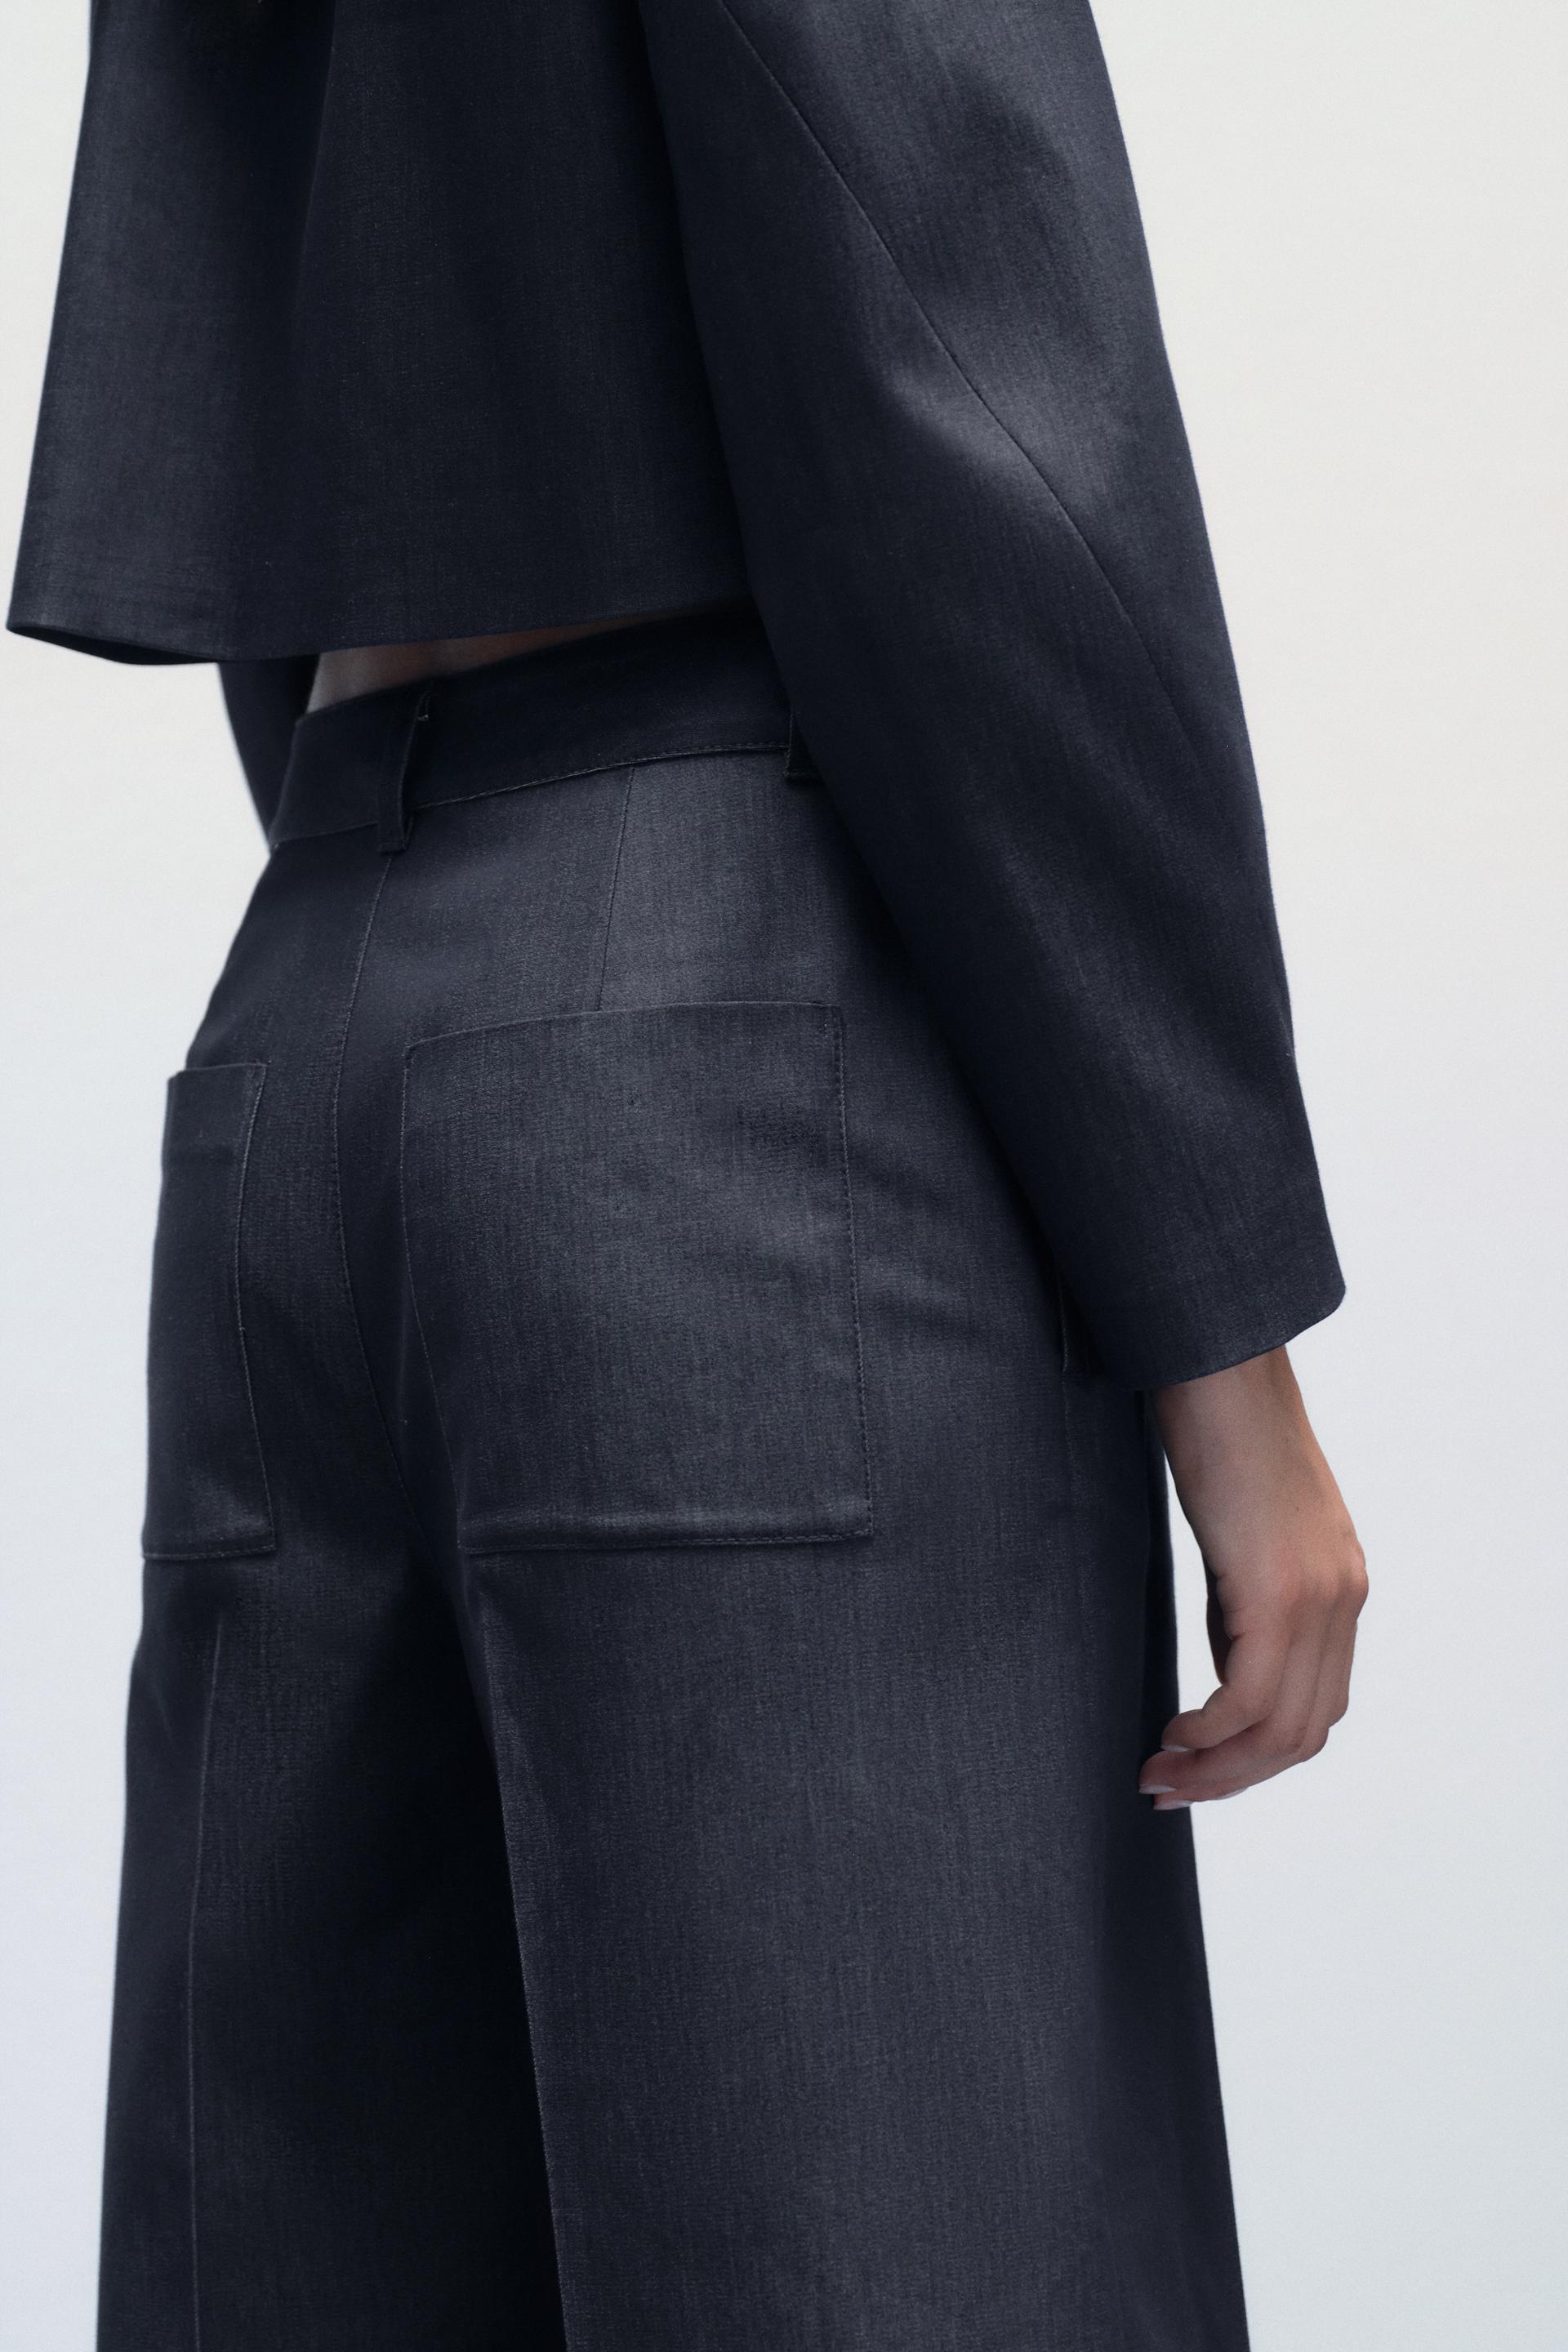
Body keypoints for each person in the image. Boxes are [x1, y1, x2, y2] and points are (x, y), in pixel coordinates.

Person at [9, 2, 1366, 2346]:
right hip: (722, 1046)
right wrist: (1225, 1356)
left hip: (314, 1012)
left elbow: (280, 318)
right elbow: (965, 393)